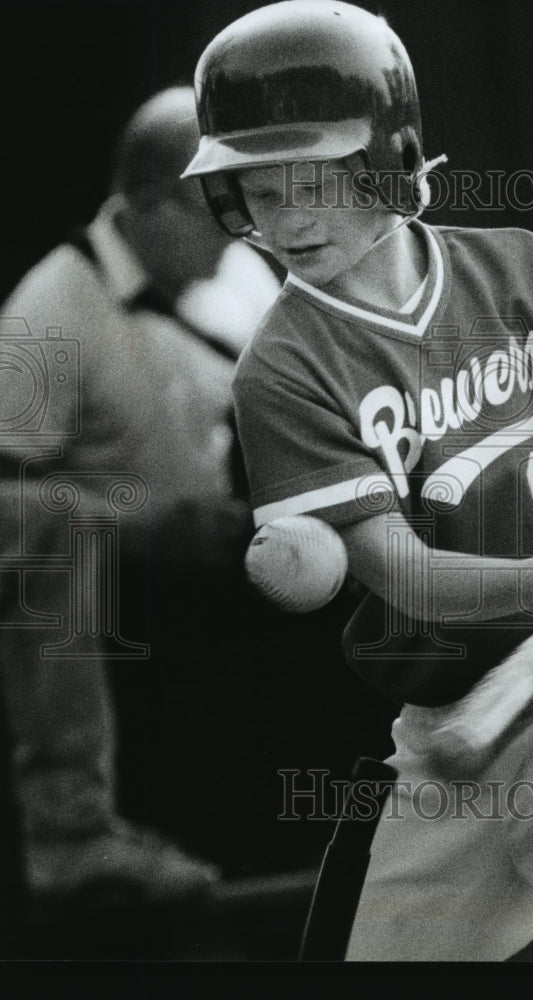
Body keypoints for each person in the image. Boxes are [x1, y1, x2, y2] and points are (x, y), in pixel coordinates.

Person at [182, 2, 533, 960]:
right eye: (259, 191)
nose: (289, 216)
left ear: (391, 161)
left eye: (315, 179)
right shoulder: (280, 369)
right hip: (457, 729)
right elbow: (408, 579)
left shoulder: (514, 265)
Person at [0, 87, 282, 904]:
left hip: (232, 550)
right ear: (147, 204)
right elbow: (11, 505)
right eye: (217, 212)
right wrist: (141, 522)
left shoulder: (241, 278)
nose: (238, 236)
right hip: (122, 580)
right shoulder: (47, 314)